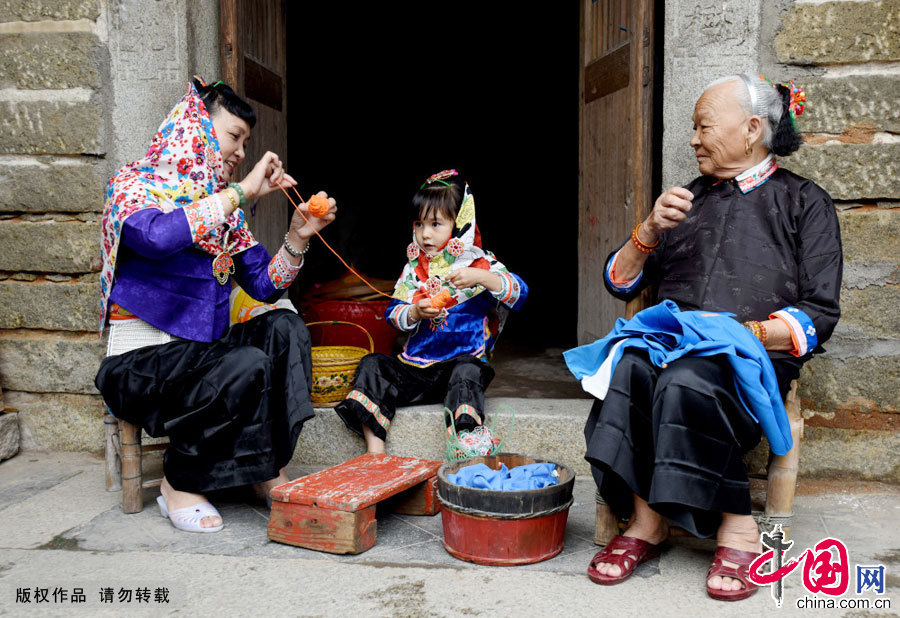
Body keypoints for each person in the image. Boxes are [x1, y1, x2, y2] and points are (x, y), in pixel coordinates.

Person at [576, 74, 841, 600]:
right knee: (629, 366)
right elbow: (618, 280)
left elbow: (820, 310)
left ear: (751, 129)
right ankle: (647, 521)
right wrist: (648, 231)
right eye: (693, 130)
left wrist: (744, 335)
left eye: (702, 127)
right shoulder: (685, 200)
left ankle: (737, 524)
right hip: (672, 344)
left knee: (688, 377)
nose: (693, 140)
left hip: (751, 355)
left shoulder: (804, 202)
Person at [95, 77, 337, 533]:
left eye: (246, 142)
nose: (241, 152)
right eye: (234, 137)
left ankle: (266, 468)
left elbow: (266, 285)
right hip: (140, 366)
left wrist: (296, 238)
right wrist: (240, 194)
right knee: (241, 362)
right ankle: (179, 483)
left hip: (202, 357)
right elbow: (158, 237)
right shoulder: (133, 186)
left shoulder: (225, 215)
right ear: (196, 128)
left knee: (284, 328)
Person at [334, 170, 528, 455]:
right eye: (420, 224)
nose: (425, 234)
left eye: (436, 224)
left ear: (461, 223)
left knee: (468, 372)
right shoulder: (414, 269)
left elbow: (520, 292)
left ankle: (465, 448)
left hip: (462, 365)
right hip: (417, 368)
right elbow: (393, 313)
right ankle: (375, 453)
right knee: (373, 365)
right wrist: (413, 311)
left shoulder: (481, 263)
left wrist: (480, 278)